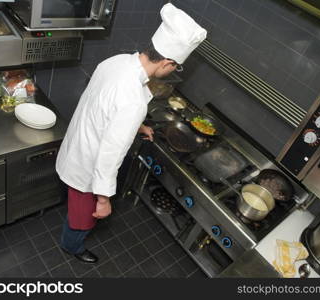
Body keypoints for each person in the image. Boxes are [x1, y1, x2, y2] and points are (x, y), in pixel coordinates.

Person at [56, 3, 207, 264]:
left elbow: (103, 105)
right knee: (82, 218)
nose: (173, 72)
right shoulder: (134, 102)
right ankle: (72, 246)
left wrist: (136, 125)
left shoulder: (118, 61)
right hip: (87, 166)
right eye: (175, 68)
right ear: (168, 63)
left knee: (76, 209)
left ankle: (73, 239)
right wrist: (103, 199)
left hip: (77, 145)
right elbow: (110, 153)